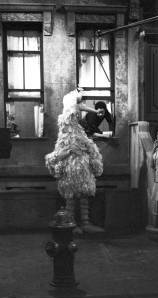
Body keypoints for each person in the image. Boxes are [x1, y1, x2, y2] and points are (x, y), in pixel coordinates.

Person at [45, 88, 104, 234]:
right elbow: (55, 156)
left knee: (83, 195)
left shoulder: (79, 133)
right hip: (70, 171)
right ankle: (72, 223)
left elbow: (81, 107)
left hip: (83, 170)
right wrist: (65, 154)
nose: (76, 115)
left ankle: (85, 223)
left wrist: (95, 112)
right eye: (73, 115)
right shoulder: (66, 134)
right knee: (71, 197)